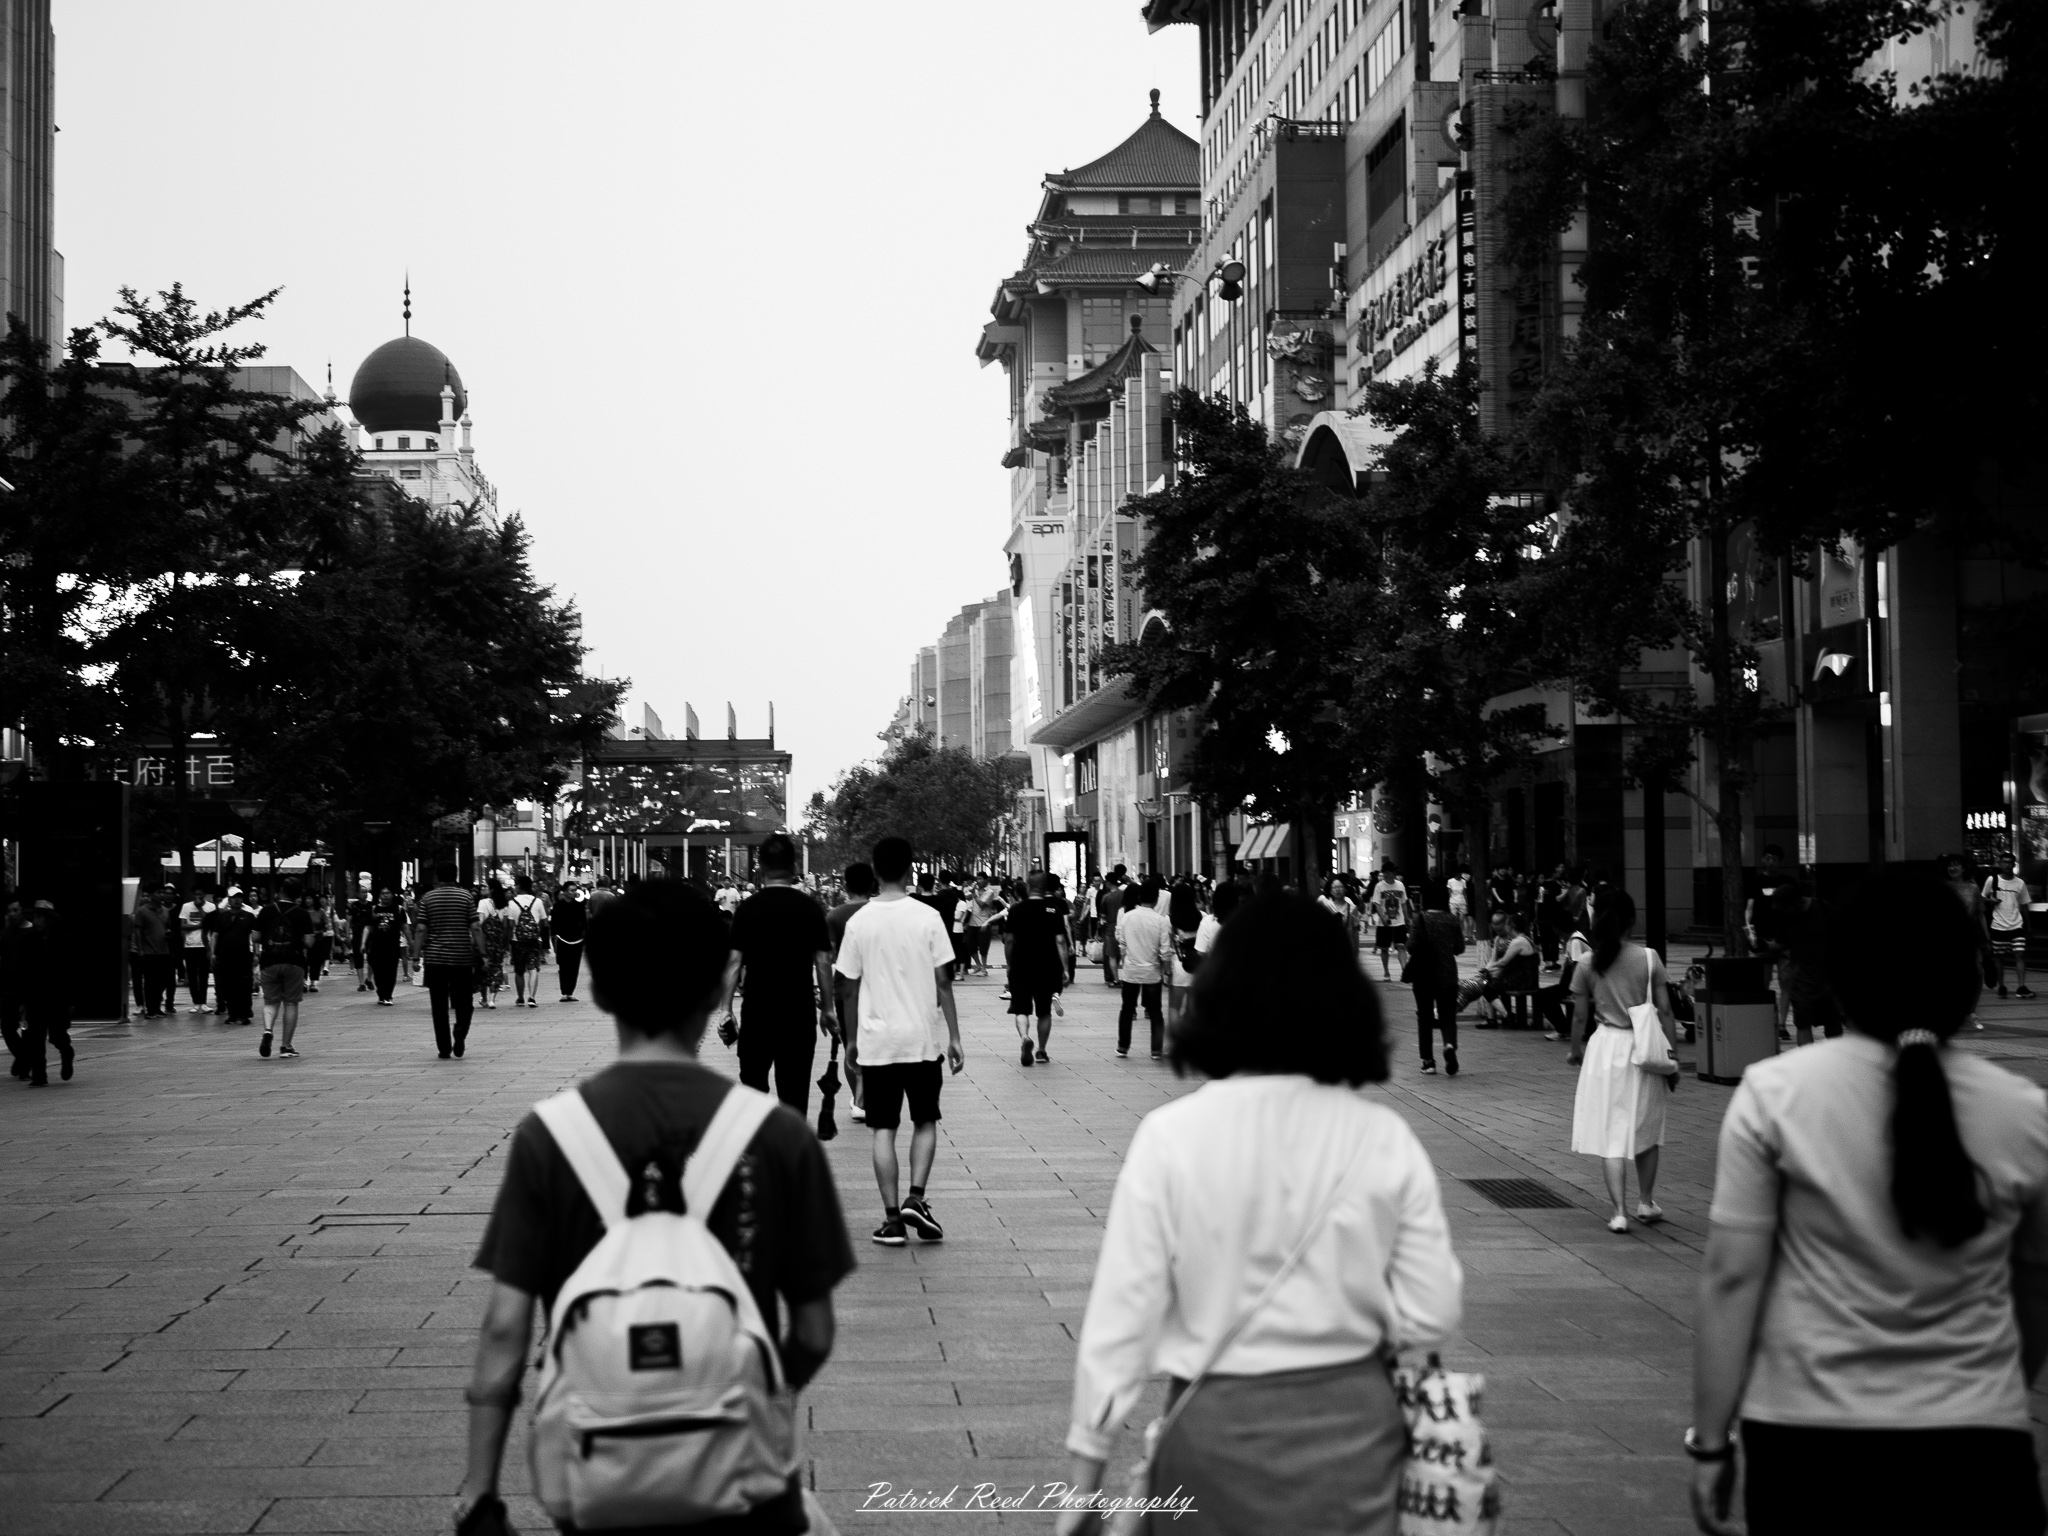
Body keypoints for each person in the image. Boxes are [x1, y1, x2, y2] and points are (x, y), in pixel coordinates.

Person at [455, 878, 855, 1536]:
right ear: (721, 982)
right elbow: (813, 1331)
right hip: (742, 1485)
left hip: (598, 1478)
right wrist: (752, 1398)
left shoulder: (550, 1136)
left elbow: (504, 1330)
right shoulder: (778, 1135)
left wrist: (479, 1491)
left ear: (598, 988)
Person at [1058, 892, 1463, 1535]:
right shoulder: (1382, 1137)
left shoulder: (1172, 1136)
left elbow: (1120, 1319)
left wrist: (1086, 1476)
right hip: (1356, 1438)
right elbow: (1431, 1309)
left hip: (1214, 1434)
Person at [1688, 866, 2048, 1536]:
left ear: (1842, 973)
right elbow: (2036, 1284)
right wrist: (1994, 1387)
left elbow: (1732, 1278)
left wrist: (1710, 1441)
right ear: (1964, 973)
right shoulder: (2026, 1115)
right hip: (1977, 1449)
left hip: (1809, 1443)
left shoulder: (1775, 1095)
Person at [834, 835, 964, 1247]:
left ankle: (892, 1219)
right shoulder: (927, 917)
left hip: (876, 1041)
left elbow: (848, 988)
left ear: (875, 871)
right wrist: (956, 1036)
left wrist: (852, 1041)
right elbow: (944, 982)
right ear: (910, 869)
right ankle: (917, 1197)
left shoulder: (858, 922)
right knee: (925, 1119)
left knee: (883, 1128)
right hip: (921, 1039)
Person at [1568, 889, 1681, 1231]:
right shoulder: (1649, 958)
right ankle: (1645, 1203)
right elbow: (1665, 1011)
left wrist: (1575, 1050)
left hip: (1605, 1048)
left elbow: (1578, 1016)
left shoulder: (1588, 962)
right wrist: (1672, 1057)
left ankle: (1618, 1212)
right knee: (1646, 1126)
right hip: (1644, 1047)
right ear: (1632, 919)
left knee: (1612, 1130)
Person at [720, 833, 836, 1115]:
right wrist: (829, 1008)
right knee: (794, 1093)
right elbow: (823, 962)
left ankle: (758, 1149)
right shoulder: (810, 909)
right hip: (799, 1013)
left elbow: (734, 961)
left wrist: (726, 1009)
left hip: (758, 1012)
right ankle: (791, 1152)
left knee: (752, 1088)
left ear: (760, 867)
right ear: (794, 867)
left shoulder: (747, 909)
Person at [825, 862, 877, 1122]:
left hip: (844, 988)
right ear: (872, 884)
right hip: (877, 988)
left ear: (845, 884)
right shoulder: (880, 912)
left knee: (849, 1044)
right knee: (873, 1044)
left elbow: (830, 956)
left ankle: (859, 1095)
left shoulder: (835, 915)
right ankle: (863, 1096)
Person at [1005, 871, 1073, 1066]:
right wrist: (1065, 968)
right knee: (1044, 1011)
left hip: (1020, 965)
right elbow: (1060, 941)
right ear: (1046, 888)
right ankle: (1042, 1051)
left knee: (1021, 1008)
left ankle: (1025, 1037)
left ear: (1028, 886)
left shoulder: (1017, 910)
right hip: (1047, 967)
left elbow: (1009, 940)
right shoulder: (1054, 909)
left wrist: (1009, 964)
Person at [419, 863, 482, 1059]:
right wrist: (484, 953)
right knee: (464, 1001)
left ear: (438, 876)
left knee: (438, 1005)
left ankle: (444, 1048)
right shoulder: (466, 897)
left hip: (435, 959)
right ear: (455, 876)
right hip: (461, 958)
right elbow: (476, 928)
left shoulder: (427, 898)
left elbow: (421, 929)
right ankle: (461, 1030)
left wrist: (415, 956)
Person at [1407, 885, 1465, 1076]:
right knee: (1448, 1015)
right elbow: (1459, 948)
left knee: (1424, 1018)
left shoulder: (1420, 918)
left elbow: (1412, 946)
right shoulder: (1452, 919)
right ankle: (1449, 1045)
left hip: (1424, 976)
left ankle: (1428, 1062)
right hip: (1448, 974)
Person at [14, 900, 73, 1086]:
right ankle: (40, 1075)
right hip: (35, 996)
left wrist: (71, 998)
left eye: (40, 917)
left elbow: (71, 971)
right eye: (35, 917)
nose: (37, 921)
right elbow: (22, 970)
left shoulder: (63, 940)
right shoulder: (28, 941)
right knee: (35, 1037)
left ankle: (67, 1052)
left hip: (57, 996)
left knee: (57, 1034)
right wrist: (22, 999)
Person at [255, 877, 315, 1059]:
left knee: (270, 1001)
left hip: (269, 961)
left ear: (281, 890)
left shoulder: (265, 911)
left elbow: (255, 938)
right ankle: (286, 1046)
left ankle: (267, 1030)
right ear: (298, 895)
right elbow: (309, 942)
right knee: (291, 1002)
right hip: (293, 962)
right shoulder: (303, 914)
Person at [1114, 877, 1173, 1060]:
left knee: (1126, 1009)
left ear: (1140, 896)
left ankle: (1123, 1046)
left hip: (1131, 970)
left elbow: (1122, 944)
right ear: (1156, 899)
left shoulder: (1127, 917)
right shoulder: (1161, 921)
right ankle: (1156, 1049)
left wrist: (1126, 958)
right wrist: (1167, 971)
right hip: (1152, 972)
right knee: (1155, 1012)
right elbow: (1165, 951)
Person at [1983, 854, 2036, 1000]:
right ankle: (2001, 986)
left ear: (2014, 865)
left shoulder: (2020, 883)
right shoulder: (1992, 880)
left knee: (2020, 954)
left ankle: (2021, 987)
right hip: (1998, 925)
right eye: (2004, 862)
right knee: (2000, 958)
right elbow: (1982, 897)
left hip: (2016, 925)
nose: (2007, 865)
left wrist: (2029, 926)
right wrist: (1990, 900)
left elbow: (2024, 905)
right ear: (1999, 863)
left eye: (2010, 862)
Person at [208, 889, 257, 1027]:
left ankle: (244, 1013)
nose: (237, 900)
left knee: (245, 985)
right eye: (234, 898)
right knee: (228, 985)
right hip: (225, 956)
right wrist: (213, 953)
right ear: (229, 900)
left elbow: (254, 936)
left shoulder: (248, 916)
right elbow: (215, 935)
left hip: (244, 955)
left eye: (239, 897)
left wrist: (256, 954)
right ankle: (232, 1013)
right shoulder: (222, 917)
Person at [1164, 882, 1204, 1031]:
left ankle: (1175, 1044)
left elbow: (1166, 948)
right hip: (1199, 965)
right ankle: (1192, 1043)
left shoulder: (1169, 920)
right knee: (1193, 1008)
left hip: (1179, 965)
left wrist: (1165, 971)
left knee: (1174, 1007)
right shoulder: (1203, 916)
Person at [507, 873, 548, 1009]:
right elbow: (544, 921)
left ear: (518, 886)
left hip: (517, 941)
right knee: (533, 968)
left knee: (519, 971)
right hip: (534, 940)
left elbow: (511, 924)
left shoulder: (512, 903)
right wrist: (535, 931)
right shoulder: (538, 901)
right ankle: (532, 997)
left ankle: (520, 998)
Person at [132, 889, 173, 1019]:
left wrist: (168, 933)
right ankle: (150, 1009)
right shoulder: (142, 911)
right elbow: (138, 931)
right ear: (151, 895)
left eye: (162, 893)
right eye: (158, 892)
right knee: (150, 981)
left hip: (164, 950)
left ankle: (157, 1007)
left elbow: (168, 926)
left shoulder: (165, 911)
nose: (161, 895)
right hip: (149, 951)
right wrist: (140, 949)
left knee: (163, 980)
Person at [364, 888, 407, 1005]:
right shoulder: (373, 909)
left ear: (392, 895)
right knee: (378, 970)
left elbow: (405, 927)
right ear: (379, 895)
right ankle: (381, 994)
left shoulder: (398, 909)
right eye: (383, 893)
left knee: (391, 971)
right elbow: (368, 927)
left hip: (392, 946)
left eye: (388, 893)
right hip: (376, 946)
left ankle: (388, 995)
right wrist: (363, 943)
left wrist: (411, 942)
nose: (385, 895)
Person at [176, 885, 215, 1014]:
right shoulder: (186, 907)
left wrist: (200, 908)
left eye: (201, 894)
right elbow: (183, 926)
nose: (198, 896)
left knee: (203, 975)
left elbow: (209, 924)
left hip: (204, 945)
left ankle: (203, 1002)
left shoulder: (211, 907)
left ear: (204, 895)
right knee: (192, 975)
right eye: (196, 894)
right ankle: (195, 1002)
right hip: (190, 945)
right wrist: (198, 925)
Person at [1367, 864, 1410, 980]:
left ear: (1393, 873)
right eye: (1384, 872)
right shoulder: (1379, 886)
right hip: (1384, 924)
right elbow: (1376, 904)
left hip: (1399, 922)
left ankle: (1404, 971)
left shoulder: (1400, 885)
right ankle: (1386, 972)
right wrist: (1383, 918)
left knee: (1401, 946)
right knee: (1384, 948)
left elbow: (1404, 903)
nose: (1385, 874)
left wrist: (1407, 918)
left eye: (1387, 872)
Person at [476, 883, 513, 1010]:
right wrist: (506, 943)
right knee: (497, 969)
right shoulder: (505, 905)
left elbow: (480, 922)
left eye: (487, 887)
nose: (485, 889)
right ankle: (492, 999)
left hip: (485, 942)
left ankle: (484, 999)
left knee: (483, 970)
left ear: (491, 890)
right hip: (498, 943)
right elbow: (507, 926)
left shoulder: (483, 902)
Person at [549, 880, 588, 1001]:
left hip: (577, 939)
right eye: (571, 890)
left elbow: (584, 922)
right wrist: (554, 935)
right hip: (562, 939)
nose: (574, 892)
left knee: (574, 966)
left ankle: (570, 992)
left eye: (575, 890)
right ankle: (564, 991)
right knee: (564, 965)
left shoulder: (579, 905)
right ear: (564, 892)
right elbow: (553, 923)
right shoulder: (558, 906)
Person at [1446, 866, 1473, 943]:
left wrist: (1466, 903)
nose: (1459, 875)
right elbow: (1449, 893)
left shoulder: (1463, 882)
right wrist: (1449, 902)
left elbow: (1464, 893)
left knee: (1461, 920)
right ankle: (1453, 935)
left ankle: (1461, 935)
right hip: (1453, 902)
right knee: (1454, 919)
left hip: (1462, 902)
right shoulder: (1450, 881)